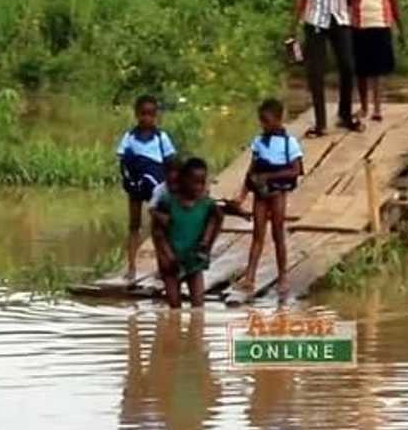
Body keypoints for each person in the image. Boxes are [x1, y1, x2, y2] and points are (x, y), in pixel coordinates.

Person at [292, 0, 361, 138]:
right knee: (316, 71)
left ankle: (344, 114)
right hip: (315, 19)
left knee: (348, 66)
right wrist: (292, 26)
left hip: (339, 17)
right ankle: (320, 123)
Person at [236, 98, 305, 300]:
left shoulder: (289, 143)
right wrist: (242, 194)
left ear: (278, 119)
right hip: (260, 194)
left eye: (267, 121)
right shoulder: (259, 142)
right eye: (262, 121)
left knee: (277, 234)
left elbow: (296, 170)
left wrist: (269, 176)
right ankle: (250, 276)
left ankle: (283, 276)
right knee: (257, 234)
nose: (263, 125)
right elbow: (252, 169)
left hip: (277, 194)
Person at [117, 95, 177, 283]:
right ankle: (132, 267)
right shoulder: (130, 137)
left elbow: (170, 163)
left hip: (156, 187)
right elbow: (122, 160)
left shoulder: (161, 138)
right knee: (134, 225)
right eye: (143, 114)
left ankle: (162, 267)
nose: (146, 118)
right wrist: (128, 179)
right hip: (135, 185)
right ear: (136, 114)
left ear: (156, 116)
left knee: (159, 227)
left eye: (151, 114)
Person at [152, 158, 224, 309]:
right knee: (174, 307)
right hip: (172, 262)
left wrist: (207, 245)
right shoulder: (167, 202)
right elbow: (158, 232)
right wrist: (166, 255)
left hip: (194, 262)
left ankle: (195, 333)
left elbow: (218, 219)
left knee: (198, 307)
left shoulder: (206, 204)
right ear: (183, 180)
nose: (199, 187)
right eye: (195, 182)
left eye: (202, 182)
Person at [351, 0, 405, 122]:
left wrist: (401, 27)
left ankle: (377, 108)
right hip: (359, 25)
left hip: (381, 24)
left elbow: (394, 1)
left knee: (379, 70)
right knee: (362, 70)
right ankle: (364, 106)